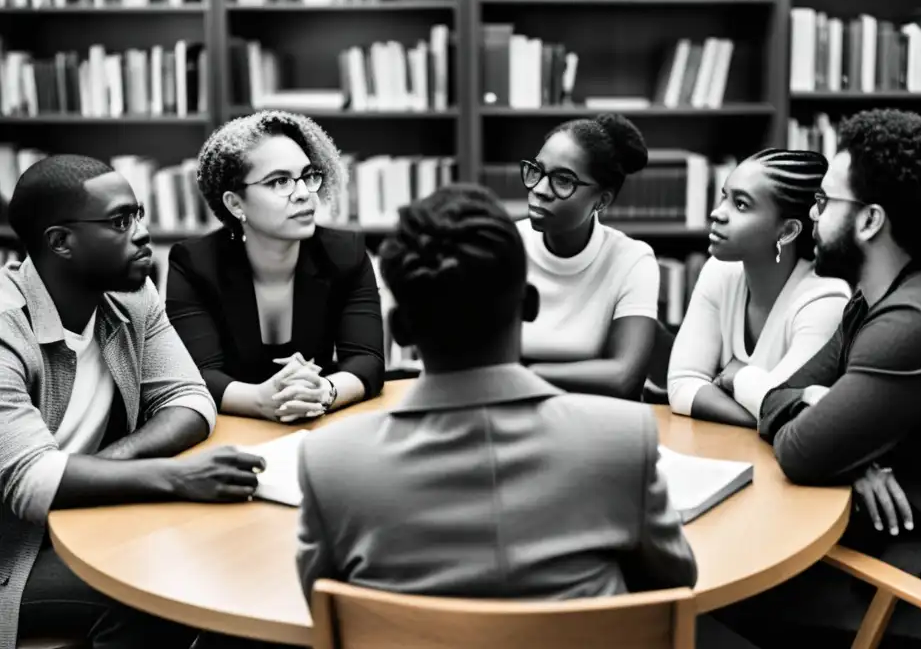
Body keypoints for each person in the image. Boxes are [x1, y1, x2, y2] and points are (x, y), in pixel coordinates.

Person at [294, 183, 697, 601]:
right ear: (529, 306)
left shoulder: (329, 463)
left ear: (399, 330)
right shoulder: (624, 440)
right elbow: (672, 587)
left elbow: (322, 604)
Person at [717, 109, 921, 649]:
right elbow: (789, 392)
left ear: (869, 221)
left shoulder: (916, 322)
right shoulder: (877, 302)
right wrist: (851, 453)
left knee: (717, 603)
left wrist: (814, 416)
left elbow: (799, 450)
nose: (812, 219)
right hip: (913, 550)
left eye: (823, 202)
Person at [0, 155, 265, 649]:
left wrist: (102, 467)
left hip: (90, 518)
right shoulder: (5, 326)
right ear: (61, 242)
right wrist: (178, 478)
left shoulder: (131, 294)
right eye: (120, 222)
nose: (143, 233)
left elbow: (190, 399)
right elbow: (31, 482)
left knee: (234, 563)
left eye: (139, 215)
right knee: (161, 589)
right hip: (14, 550)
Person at [166, 110, 385, 424]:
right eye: (279, 181)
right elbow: (196, 374)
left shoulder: (345, 254)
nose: (303, 194)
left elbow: (367, 360)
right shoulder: (194, 263)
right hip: (232, 430)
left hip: (314, 424)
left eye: (308, 176)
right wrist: (259, 400)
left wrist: (325, 391)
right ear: (235, 204)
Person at [666, 149, 850, 427]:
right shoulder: (720, 271)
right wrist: (761, 416)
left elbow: (782, 410)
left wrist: (735, 377)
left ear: (787, 231)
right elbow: (681, 387)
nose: (717, 213)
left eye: (741, 205)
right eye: (724, 196)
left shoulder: (825, 301)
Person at [518, 113, 658, 400]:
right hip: (513, 412)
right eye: (537, 171)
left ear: (602, 200)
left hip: (596, 418)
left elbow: (624, 377)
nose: (540, 190)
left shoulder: (631, 260)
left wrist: (527, 374)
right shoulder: (506, 245)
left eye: (563, 180)